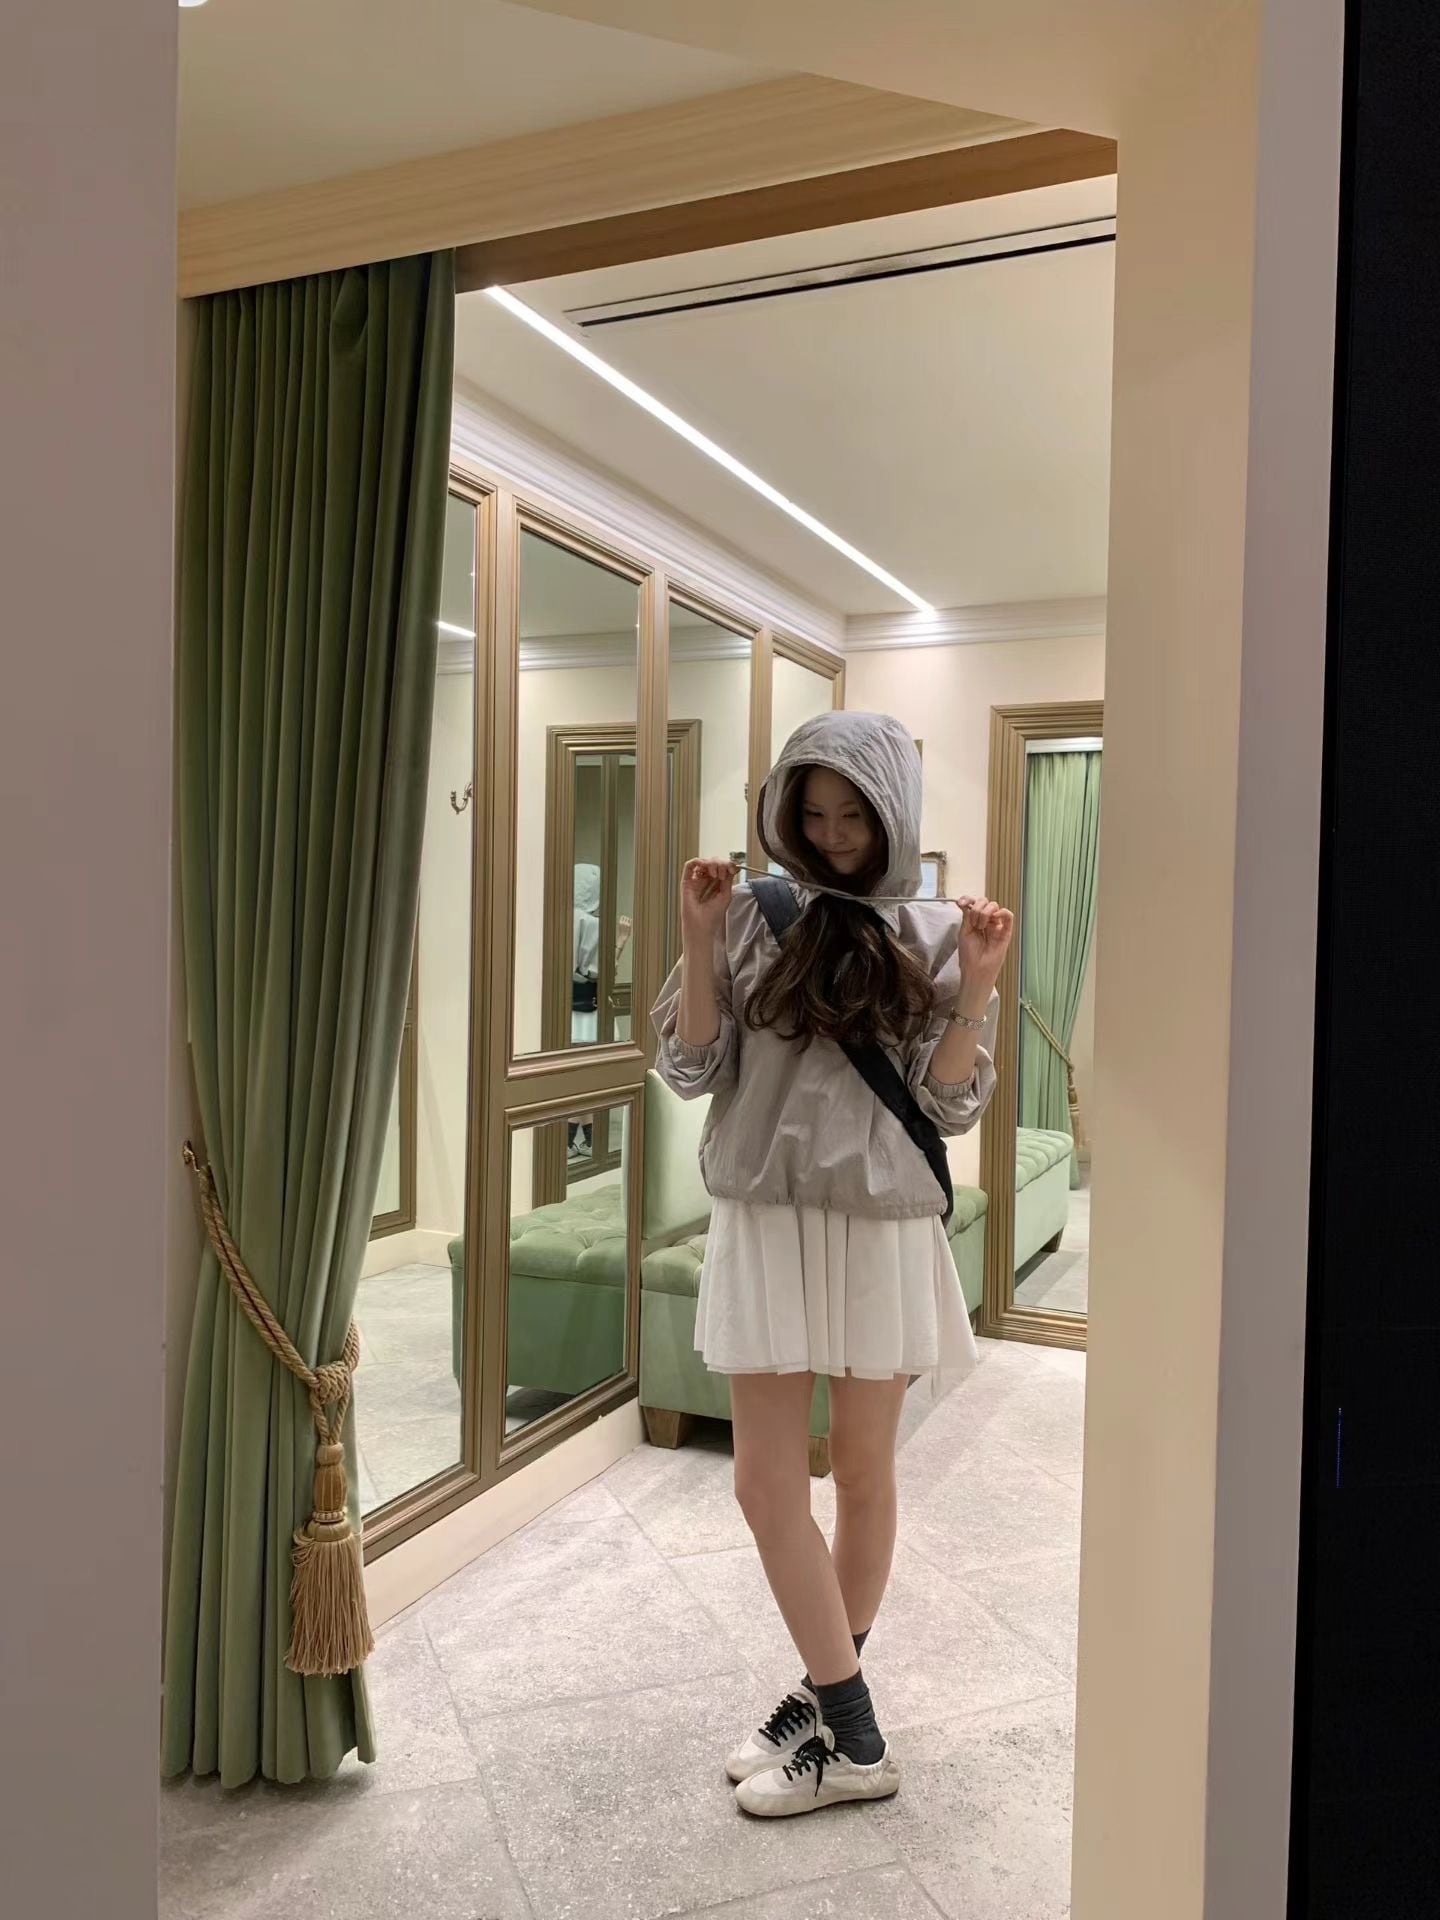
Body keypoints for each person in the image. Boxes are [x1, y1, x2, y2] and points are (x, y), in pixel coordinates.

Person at [651, 711, 1014, 1817]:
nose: (832, 832)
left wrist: (977, 987)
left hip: (880, 1226)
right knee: (765, 1484)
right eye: (811, 813)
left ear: (893, 812)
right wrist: (698, 939)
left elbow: (948, 1106)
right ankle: (850, 1724)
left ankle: (832, 1711)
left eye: (854, 813)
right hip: (764, 1218)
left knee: (862, 1473)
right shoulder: (751, 916)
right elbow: (689, 1067)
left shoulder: (936, 935)